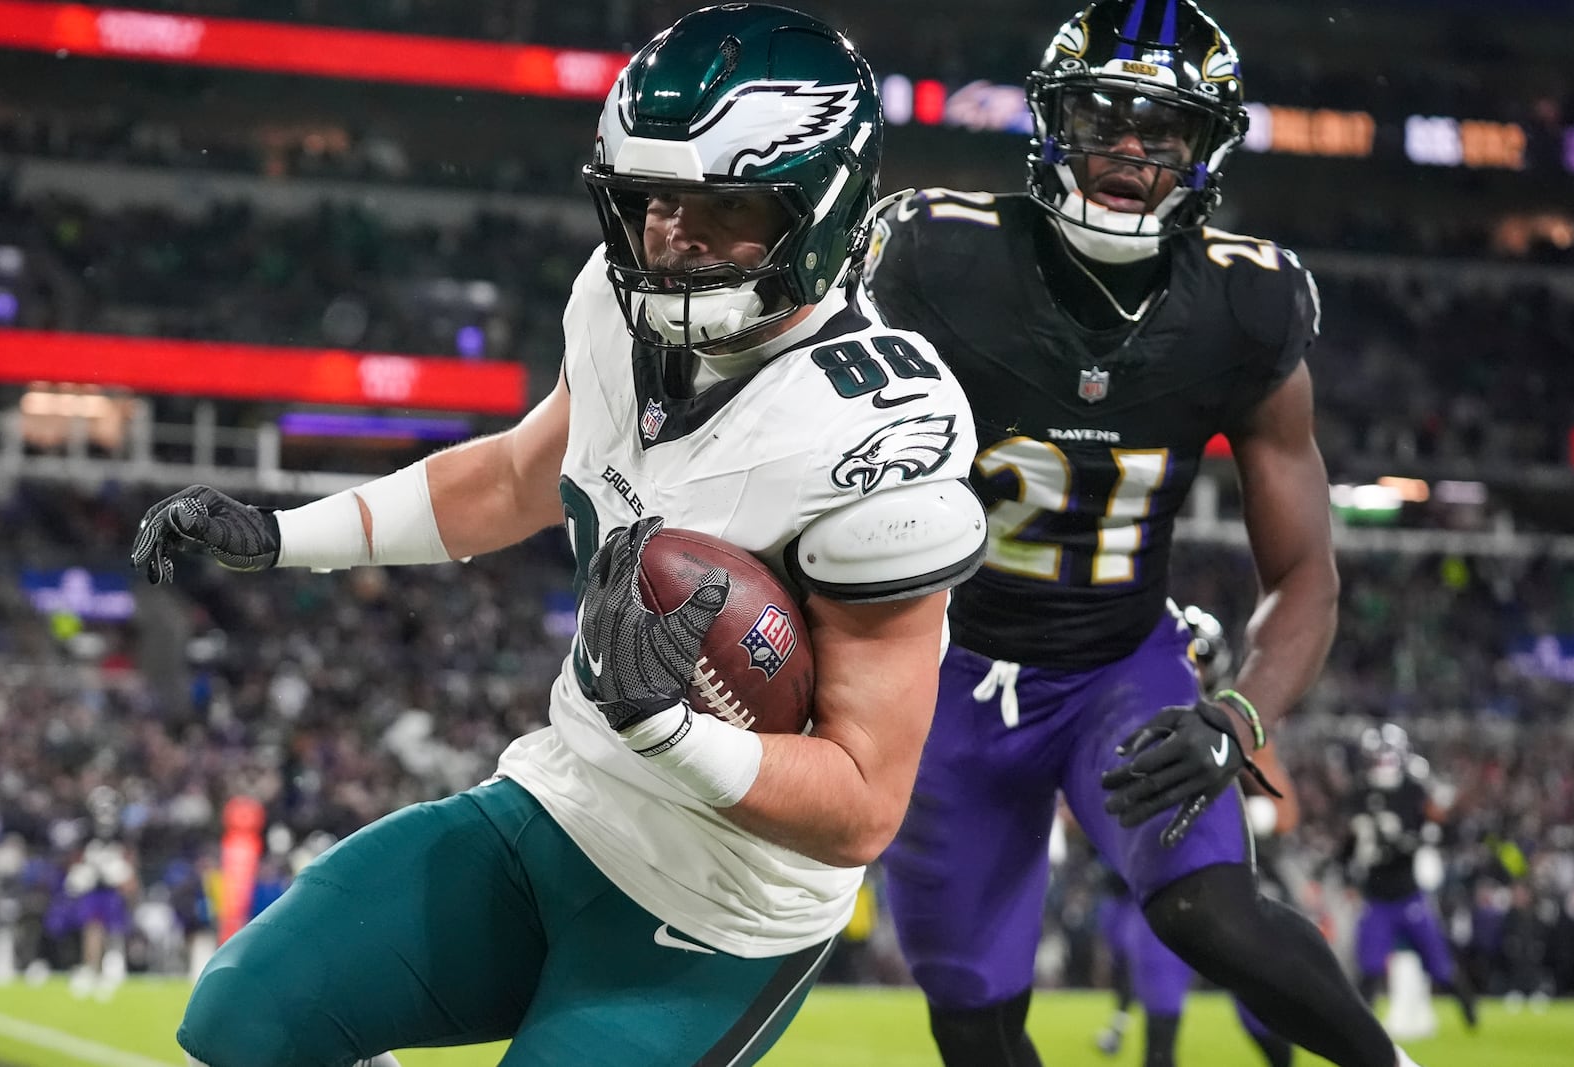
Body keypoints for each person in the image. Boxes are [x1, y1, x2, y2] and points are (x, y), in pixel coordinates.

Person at [129, 6, 987, 1065]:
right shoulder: (614, 307)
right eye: (653, 200)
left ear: (822, 213)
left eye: (723, 209)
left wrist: (668, 729)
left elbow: (861, 804)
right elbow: (511, 479)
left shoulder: (878, 432)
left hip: (718, 908)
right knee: (241, 1017)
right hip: (562, 799)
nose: (672, 234)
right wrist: (280, 533)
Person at [863, 3, 1426, 1066]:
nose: (1127, 151)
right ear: (1048, 120)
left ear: (1203, 152)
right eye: (1103, 116)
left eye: (1161, 130)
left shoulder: (1242, 307)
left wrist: (1238, 712)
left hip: (1118, 662)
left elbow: (1305, 572)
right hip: (940, 670)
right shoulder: (932, 258)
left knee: (1207, 912)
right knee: (973, 1019)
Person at [1091, 606, 1297, 1067]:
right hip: (1164, 888)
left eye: (1194, 660)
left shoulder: (1232, 727)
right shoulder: (1127, 719)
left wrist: (1253, 811)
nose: (1186, 670)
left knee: (1263, 1021)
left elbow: (1284, 813)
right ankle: (1122, 1020)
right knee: (1160, 1036)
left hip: (1231, 891)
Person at [1339, 723, 1479, 1030]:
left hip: (1408, 893)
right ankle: (1361, 1027)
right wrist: (1350, 874)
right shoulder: (1361, 794)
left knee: (1440, 965)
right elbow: (1348, 845)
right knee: (1370, 968)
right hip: (1375, 894)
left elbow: (1443, 832)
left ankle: (1470, 1011)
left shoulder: (1414, 791)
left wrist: (1412, 838)